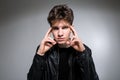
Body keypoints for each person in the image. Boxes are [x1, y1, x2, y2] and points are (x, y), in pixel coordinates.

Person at [27, 4, 99, 80]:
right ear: (51, 30)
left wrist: (82, 54)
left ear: (71, 29)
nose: (60, 34)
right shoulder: (43, 50)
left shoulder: (84, 50)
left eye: (64, 27)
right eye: (55, 28)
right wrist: (40, 55)